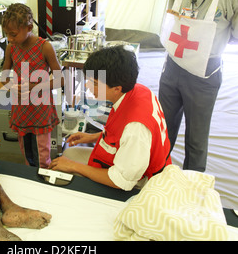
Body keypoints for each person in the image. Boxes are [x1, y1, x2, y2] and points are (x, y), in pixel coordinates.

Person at [159, 0, 238, 172]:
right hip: (172, 66)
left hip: (204, 74)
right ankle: (157, 178)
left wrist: (212, 39)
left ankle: (191, 190)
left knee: (196, 141)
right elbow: (173, 16)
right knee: (162, 132)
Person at [49, 46, 172, 191]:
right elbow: (121, 133)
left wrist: (73, 166)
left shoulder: (136, 128)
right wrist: (93, 137)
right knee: (69, 153)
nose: (88, 87)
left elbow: (121, 181)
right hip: (132, 160)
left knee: (64, 167)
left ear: (116, 88)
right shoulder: (140, 90)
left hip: (140, 181)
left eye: (94, 84)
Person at [1, 3, 62, 168]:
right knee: (26, 149)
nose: (10, 39)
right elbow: (4, 77)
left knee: (42, 151)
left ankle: (44, 175)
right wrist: (12, 85)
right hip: (21, 107)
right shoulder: (11, 48)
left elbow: (60, 80)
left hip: (40, 107)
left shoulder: (45, 47)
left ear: (29, 27)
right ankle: (30, 176)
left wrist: (36, 86)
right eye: (7, 34)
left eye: (13, 34)